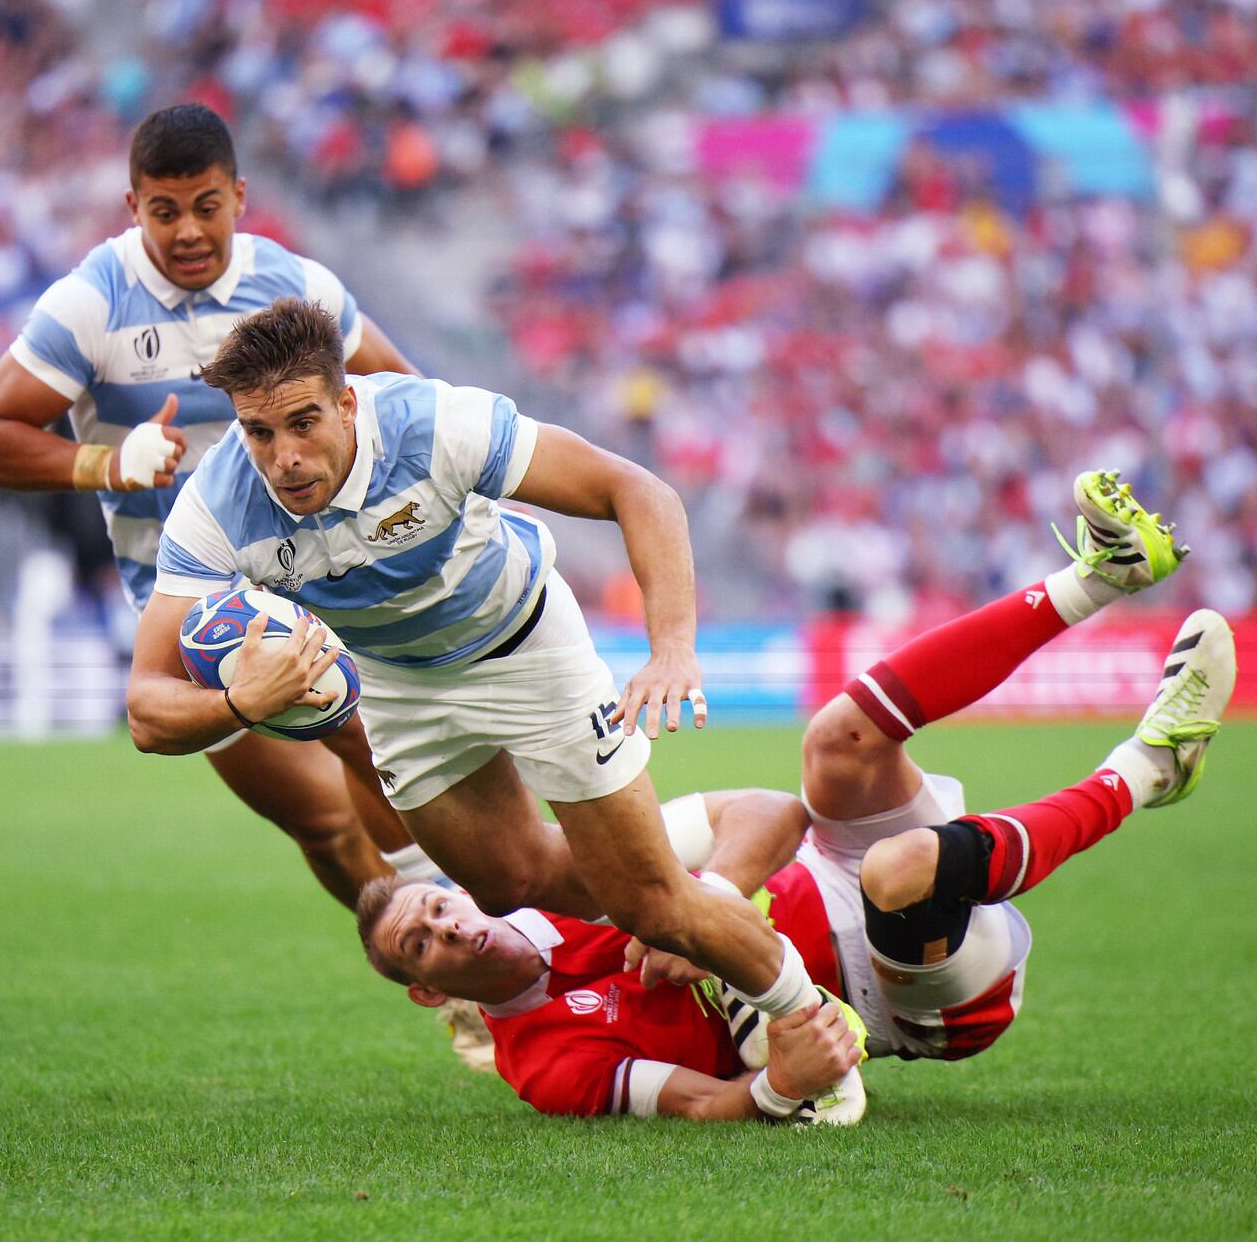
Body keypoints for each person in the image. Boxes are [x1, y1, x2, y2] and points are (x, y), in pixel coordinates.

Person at [355, 471, 1235, 1122]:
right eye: (421, 944)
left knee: (835, 742)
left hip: (832, 869)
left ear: (459, 886)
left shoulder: (572, 874)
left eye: (433, 904)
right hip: (903, 991)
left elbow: (771, 812)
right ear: (428, 991)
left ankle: (1104, 575)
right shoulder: (544, 1063)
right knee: (902, 867)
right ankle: (1146, 768)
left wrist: (712, 910)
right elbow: (704, 1103)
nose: (445, 924)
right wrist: (785, 1083)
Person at [132, 295, 863, 1054]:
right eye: (258, 431)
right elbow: (146, 711)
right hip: (395, 679)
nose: (283, 455)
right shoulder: (217, 505)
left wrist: (673, 646)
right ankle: (693, 878)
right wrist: (239, 702)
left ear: (347, 403)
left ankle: (809, 1021)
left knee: (650, 901)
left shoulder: (437, 425)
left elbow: (637, 490)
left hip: (523, 644)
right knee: (507, 885)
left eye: (303, 423)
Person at [0, 104, 434, 910]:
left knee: (376, 752)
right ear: (132, 206)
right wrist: (108, 463)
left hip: (324, 569)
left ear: (239, 197)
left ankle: (467, 960)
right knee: (321, 819)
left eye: (205, 206)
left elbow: (401, 393)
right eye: (164, 210)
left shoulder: (296, 286)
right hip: (191, 604)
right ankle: (449, 952)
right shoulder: (91, 303)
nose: (186, 230)